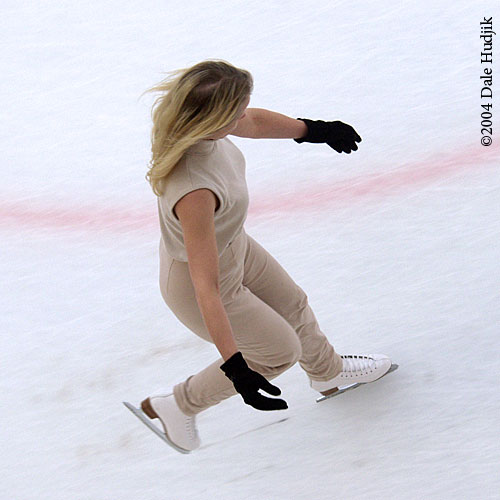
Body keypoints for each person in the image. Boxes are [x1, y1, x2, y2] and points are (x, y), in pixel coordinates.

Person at [140, 59, 392, 453]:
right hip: (197, 282)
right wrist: (237, 369)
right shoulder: (195, 191)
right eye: (235, 110)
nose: (243, 115)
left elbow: (253, 123)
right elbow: (206, 287)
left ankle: (328, 373)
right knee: (276, 352)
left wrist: (313, 130)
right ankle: (175, 405)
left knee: (293, 303)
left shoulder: (202, 127)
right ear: (213, 118)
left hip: (233, 245)